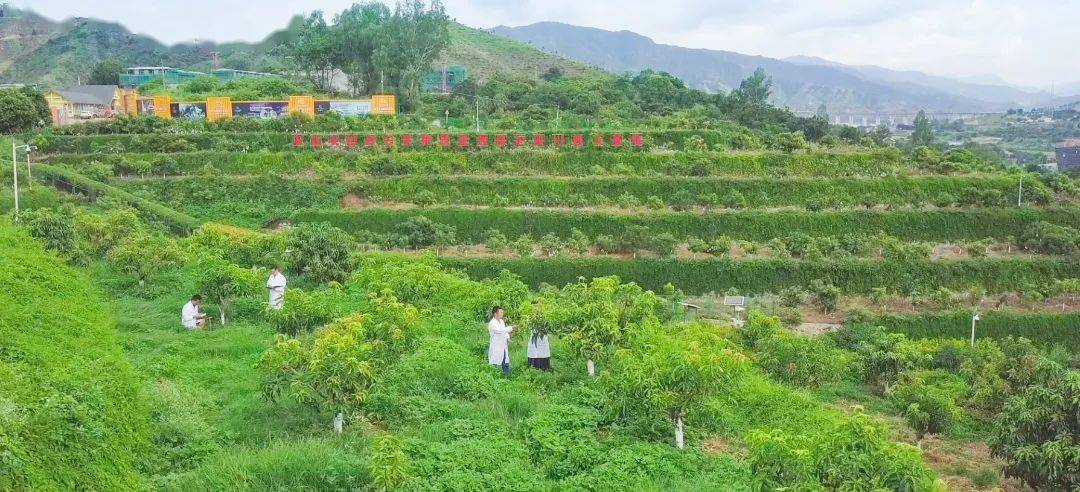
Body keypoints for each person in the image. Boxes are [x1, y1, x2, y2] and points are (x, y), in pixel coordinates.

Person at [487, 306, 514, 376]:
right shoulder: (492, 323)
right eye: (501, 312)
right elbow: (500, 330)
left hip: (503, 345)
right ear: (495, 314)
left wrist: (508, 338)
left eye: (502, 312)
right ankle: (494, 376)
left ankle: (507, 376)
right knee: (495, 361)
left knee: (505, 361)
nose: (502, 313)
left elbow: (504, 331)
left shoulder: (501, 321)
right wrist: (511, 327)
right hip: (496, 346)